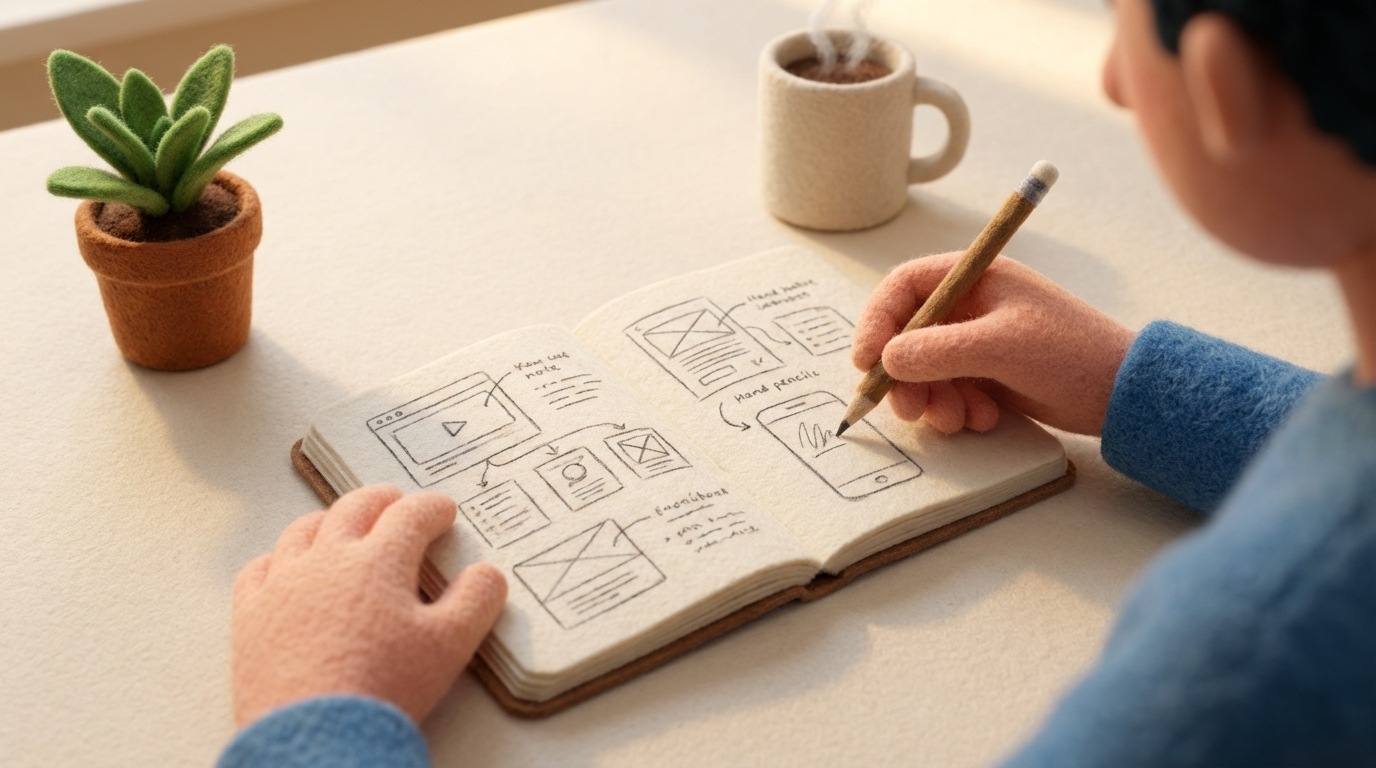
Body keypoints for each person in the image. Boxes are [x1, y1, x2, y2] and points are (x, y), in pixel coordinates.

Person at [219, 0, 1375, 764]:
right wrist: (1133, 382)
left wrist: (315, 714)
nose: (1117, 80)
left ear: (1226, 89)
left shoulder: (1241, 670)